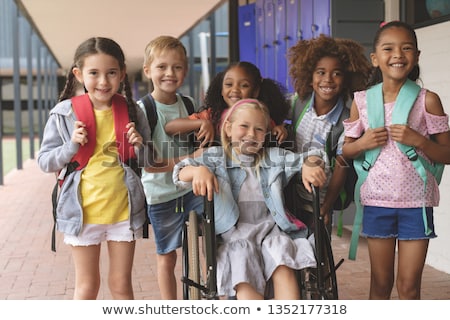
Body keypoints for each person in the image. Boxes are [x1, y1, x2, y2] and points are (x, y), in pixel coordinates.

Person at [172, 99, 327, 299]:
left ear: (266, 134)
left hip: (271, 231)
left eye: (259, 129)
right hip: (234, 236)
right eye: (244, 126)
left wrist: (311, 164)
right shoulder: (216, 158)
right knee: (241, 261)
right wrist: (197, 170)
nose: (251, 134)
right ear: (228, 128)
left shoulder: (274, 157)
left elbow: (314, 155)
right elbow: (179, 174)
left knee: (282, 259)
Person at [37, 37, 154, 299]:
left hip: (124, 212)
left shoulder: (133, 111)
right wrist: (70, 146)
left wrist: (139, 147)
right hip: (82, 214)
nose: (103, 81)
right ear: (78, 74)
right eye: (94, 73)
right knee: (87, 287)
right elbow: (45, 161)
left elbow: (150, 162)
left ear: (122, 74)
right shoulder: (64, 113)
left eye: (111, 73)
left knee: (121, 285)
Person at [342, 21, 450, 299]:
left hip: (417, 205)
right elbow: (346, 150)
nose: (398, 55)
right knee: (380, 284)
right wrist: (363, 143)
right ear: (375, 58)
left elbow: (447, 154)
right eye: (388, 49)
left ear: (416, 56)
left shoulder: (428, 100)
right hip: (377, 202)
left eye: (406, 48)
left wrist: (420, 141)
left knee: (409, 287)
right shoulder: (362, 101)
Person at [138, 35, 204, 299]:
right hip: (161, 196)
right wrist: (189, 159)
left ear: (185, 71)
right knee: (167, 257)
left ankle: (203, 294)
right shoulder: (144, 110)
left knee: (206, 245)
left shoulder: (188, 104)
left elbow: (199, 140)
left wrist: (204, 125)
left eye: (177, 67)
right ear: (147, 71)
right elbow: (151, 165)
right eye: (162, 67)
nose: (170, 73)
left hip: (191, 189)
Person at [286, 34, 372, 231]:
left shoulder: (347, 121)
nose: (328, 79)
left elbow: (341, 166)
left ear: (347, 78)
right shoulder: (296, 103)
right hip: (289, 193)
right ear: (310, 77)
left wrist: (326, 207)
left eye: (337, 74)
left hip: (319, 197)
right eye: (321, 72)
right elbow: (265, 114)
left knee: (319, 252)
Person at [164, 61, 290, 147]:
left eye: (244, 85)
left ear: (255, 91)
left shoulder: (262, 117)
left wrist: (279, 130)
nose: (235, 90)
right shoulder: (212, 115)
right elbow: (170, 127)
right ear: (221, 89)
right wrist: (201, 123)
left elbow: (273, 133)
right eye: (229, 84)